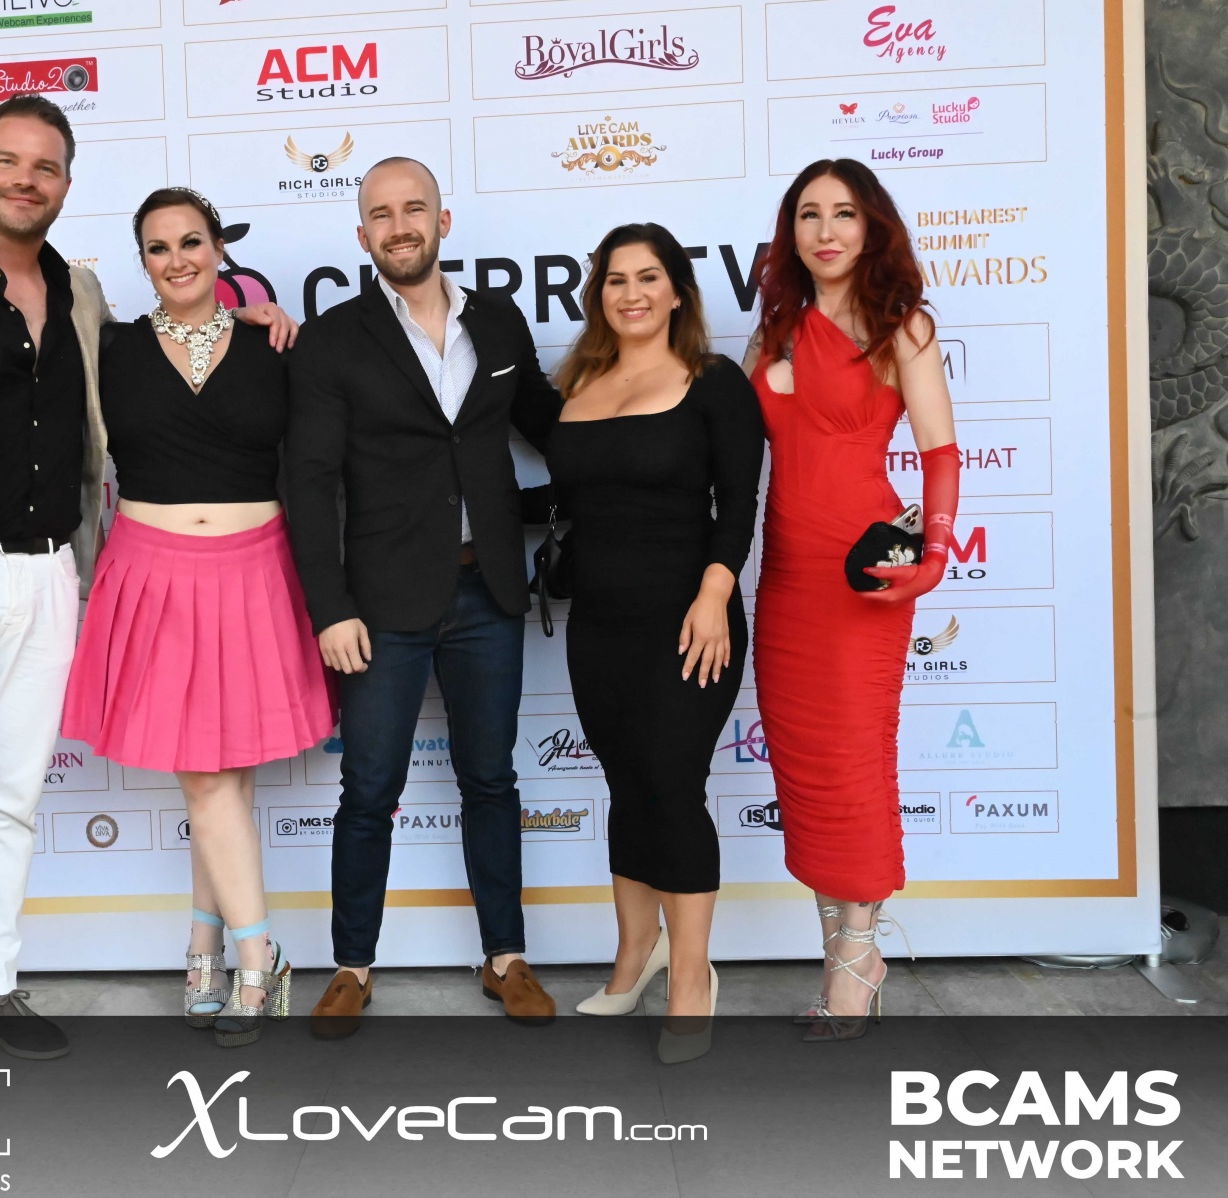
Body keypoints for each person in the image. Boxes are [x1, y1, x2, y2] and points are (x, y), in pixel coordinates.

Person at [0, 96, 295, 1136]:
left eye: (45, 166)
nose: (25, 179)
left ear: (67, 183)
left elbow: (164, 368)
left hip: (48, 576)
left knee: (9, 803)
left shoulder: (81, 292)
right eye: (8, 160)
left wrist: (253, 317)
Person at [285, 157, 563, 1035]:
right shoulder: (334, 340)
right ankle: (351, 966)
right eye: (381, 214)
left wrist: (658, 401)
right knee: (369, 788)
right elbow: (308, 484)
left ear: (443, 221)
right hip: (379, 604)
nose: (399, 225)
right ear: (361, 234)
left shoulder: (498, 320)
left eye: (414, 209)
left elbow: (549, 426)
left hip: (489, 590)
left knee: (492, 779)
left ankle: (506, 957)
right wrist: (329, 608)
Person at [60, 187, 333, 1047]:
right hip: (153, 576)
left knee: (227, 780)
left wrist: (263, 319)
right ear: (140, 261)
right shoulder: (110, 349)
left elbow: (316, 463)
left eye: (190, 241)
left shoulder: (274, 344)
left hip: (257, 572)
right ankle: (263, 961)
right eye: (157, 247)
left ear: (218, 248)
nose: (175, 259)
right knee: (209, 781)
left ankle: (206, 949)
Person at [521, 224, 764, 1063]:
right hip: (599, 624)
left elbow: (739, 502)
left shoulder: (714, 381)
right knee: (627, 786)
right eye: (616, 279)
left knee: (671, 786)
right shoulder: (577, 384)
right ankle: (634, 958)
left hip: (689, 620)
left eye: (648, 277)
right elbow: (575, 495)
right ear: (599, 295)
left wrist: (714, 594)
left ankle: (692, 979)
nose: (631, 293)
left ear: (677, 292)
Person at [744, 158, 959, 1041]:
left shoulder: (901, 325)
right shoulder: (773, 330)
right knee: (805, 770)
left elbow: (941, 451)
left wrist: (936, 554)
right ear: (790, 231)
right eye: (808, 214)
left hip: (862, 578)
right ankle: (845, 954)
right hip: (786, 578)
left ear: (871, 227)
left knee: (856, 765)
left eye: (842, 213)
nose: (825, 231)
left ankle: (857, 961)